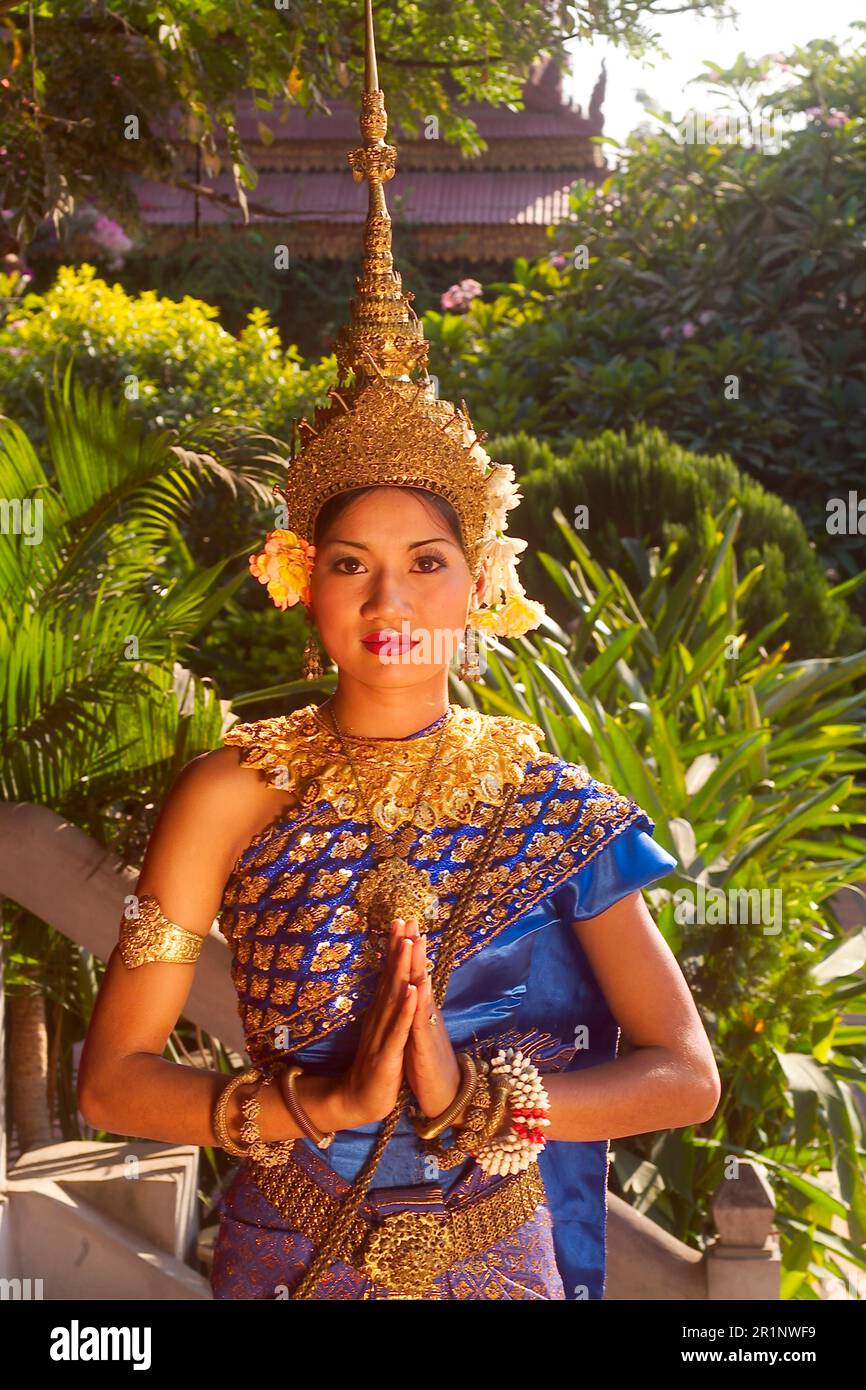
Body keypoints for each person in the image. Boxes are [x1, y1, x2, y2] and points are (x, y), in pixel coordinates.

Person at [76, 0, 721, 1301]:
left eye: (426, 561)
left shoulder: (549, 805)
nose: (390, 598)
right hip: (289, 1250)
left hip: (496, 1259)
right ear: (298, 582)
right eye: (351, 563)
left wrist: (485, 1096)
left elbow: (682, 1074)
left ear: (479, 582)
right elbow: (115, 1077)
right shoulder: (230, 793)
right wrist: (310, 1099)